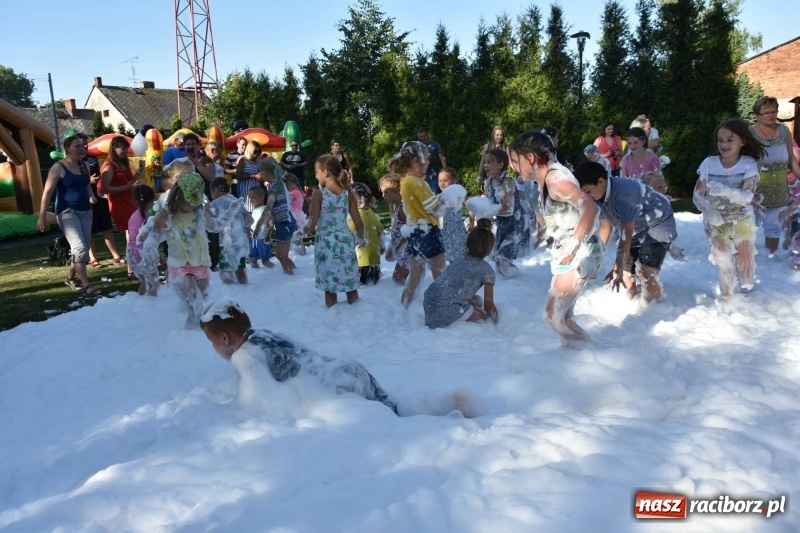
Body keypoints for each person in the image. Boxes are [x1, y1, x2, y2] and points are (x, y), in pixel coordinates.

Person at [199, 300, 487, 417]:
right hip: (346, 370)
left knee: (393, 425)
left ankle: (450, 420)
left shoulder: (245, 356)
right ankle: (450, 403)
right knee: (394, 410)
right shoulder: (265, 334)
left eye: (211, 341)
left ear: (224, 338)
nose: (215, 347)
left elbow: (265, 404)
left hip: (334, 390)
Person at [509, 130, 604, 346]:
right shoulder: (544, 181)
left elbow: (590, 208)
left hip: (581, 251)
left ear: (531, 158)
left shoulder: (555, 180)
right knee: (563, 316)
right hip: (570, 248)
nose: (513, 166)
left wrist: (572, 246)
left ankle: (591, 352)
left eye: (516, 161)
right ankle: (577, 356)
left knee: (552, 315)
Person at [139, 171, 244, 328]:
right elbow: (155, 234)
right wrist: (149, 246)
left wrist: (231, 211)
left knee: (201, 307)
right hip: (180, 266)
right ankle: (190, 338)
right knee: (197, 305)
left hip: (201, 264)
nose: (191, 205)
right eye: (188, 202)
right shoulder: (167, 214)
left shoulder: (199, 211)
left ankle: (193, 337)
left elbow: (215, 226)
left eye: (195, 202)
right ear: (178, 195)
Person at [576, 161, 677, 305]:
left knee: (646, 271)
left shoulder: (624, 193)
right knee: (626, 274)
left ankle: (655, 308)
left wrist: (618, 265)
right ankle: (630, 301)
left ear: (601, 181)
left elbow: (626, 235)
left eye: (587, 191)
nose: (586, 196)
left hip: (657, 226)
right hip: (636, 230)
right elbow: (605, 227)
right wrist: (594, 256)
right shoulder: (598, 197)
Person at [693, 118, 766, 299]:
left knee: (745, 265)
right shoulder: (709, 163)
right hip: (716, 223)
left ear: (742, 141)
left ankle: (749, 298)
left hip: (743, 221)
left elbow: (748, 197)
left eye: (729, 139)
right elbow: (697, 195)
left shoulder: (748, 164)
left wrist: (724, 190)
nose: (724, 144)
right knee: (724, 261)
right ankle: (729, 301)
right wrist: (709, 212)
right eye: (720, 140)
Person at [37, 135, 101, 296]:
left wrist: (91, 195)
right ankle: (87, 286)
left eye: (83, 145)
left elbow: (87, 186)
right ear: (68, 148)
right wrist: (42, 216)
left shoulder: (85, 165)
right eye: (77, 146)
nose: (82, 148)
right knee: (79, 249)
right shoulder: (58, 167)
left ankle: (70, 278)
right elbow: (47, 192)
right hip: (67, 212)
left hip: (86, 211)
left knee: (84, 250)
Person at [390, 141, 446, 307]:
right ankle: (443, 307)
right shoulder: (418, 183)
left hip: (415, 232)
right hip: (428, 231)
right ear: (416, 161)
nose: (429, 161)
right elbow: (435, 210)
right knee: (441, 274)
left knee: (415, 276)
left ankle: (404, 307)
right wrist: (448, 200)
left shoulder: (405, 182)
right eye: (427, 158)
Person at [305, 155, 365, 307]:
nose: (315, 175)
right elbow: (359, 223)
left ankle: (333, 318)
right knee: (350, 284)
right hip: (345, 242)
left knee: (329, 287)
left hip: (326, 245)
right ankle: (358, 315)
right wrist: (361, 239)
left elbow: (312, 222)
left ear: (325, 172)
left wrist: (301, 232)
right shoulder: (348, 194)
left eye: (317, 172)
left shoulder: (319, 194)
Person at [423, 219, 498, 328]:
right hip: (446, 309)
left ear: (468, 243)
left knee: (476, 300)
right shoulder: (487, 270)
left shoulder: (458, 259)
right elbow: (489, 305)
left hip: (429, 303)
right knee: (482, 317)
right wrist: (498, 321)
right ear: (489, 248)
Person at [749, 96, 800, 256]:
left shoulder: (784, 130)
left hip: (778, 189)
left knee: (774, 228)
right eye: (766, 112)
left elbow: (791, 159)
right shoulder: (750, 133)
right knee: (748, 228)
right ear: (757, 115)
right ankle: (749, 263)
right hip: (754, 190)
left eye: (773, 111)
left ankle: (770, 258)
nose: (771, 115)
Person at [483, 148, 531, 278]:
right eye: (485, 162)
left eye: (489, 162)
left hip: (516, 224)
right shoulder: (489, 182)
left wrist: (486, 210)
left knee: (502, 256)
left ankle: (516, 282)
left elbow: (508, 210)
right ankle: (506, 281)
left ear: (500, 165)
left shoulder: (507, 182)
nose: (485, 165)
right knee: (498, 257)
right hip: (503, 224)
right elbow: (490, 203)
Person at [100, 135, 143, 277]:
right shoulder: (109, 166)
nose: (126, 151)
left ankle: (135, 263)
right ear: (114, 148)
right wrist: (125, 187)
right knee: (132, 234)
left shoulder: (123, 163)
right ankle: (131, 268)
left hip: (129, 201)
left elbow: (130, 181)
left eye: (126, 148)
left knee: (133, 233)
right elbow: (105, 188)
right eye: (122, 148)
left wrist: (139, 172)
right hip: (119, 204)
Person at [80, 133, 124, 268]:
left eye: (86, 143)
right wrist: (89, 181)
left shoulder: (92, 158)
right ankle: (93, 258)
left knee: (106, 227)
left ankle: (116, 255)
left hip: (99, 195)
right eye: (81, 144)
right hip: (85, 198)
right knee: (90, 229)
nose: (85, 146)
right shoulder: (72, 162)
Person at [258, 159, 299, 275]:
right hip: (287, 221)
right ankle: (295, 272)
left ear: (265, 171)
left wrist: (259, 224)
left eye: (260, 172)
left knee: (281, 255)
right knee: (281, 255)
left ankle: (291, 275)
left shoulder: (275, 185)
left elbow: (270, 206)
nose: (260, 175)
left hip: (285, 222)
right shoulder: (277, 183)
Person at [210, 178, 250, 285]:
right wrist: (247, 228)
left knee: (226, 270)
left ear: (216, 190)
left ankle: (231, 291)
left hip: (228, 242)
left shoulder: (215, 203)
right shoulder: (236, 200)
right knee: (240, 269)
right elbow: (249, 219)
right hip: (241, 240)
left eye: (211, 192)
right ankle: (245, 288)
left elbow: (211, 220)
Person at [348, 183, 384, 285]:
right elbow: (380, 229)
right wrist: (381, 244)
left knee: (362, 282)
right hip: (374, 251)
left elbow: (350, 232)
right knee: (373, 279)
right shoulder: (372, 212)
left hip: (361, 253)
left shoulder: (354, 214)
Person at [379, 174, 410, 285]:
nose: (383, 196)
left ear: (397, 191)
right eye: (382, 192)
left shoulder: (403, 209)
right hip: (397, 242)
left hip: (406, 247)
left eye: (386, 192)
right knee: (388, 257)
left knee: (397, 279)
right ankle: (409, 272)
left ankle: (410, 274)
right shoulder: (395, 206)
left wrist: (400, 245)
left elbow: (412, 229)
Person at [128, 184, 158, 296]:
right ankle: (150, 307)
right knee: (152, 284)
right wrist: (163, 260)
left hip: (132, 253)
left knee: (144, 282)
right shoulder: (148, 218)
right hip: (143, 254)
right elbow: (149, 241)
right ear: (152, 200)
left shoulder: (133, 216)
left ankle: (141, 304)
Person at [437, 167, 468, 263]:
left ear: (454, 181)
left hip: (457, 232)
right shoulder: (440, 197)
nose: (442, 183)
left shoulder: (458, 194)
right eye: (440, 181)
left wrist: (471, 223)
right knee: (449, 256)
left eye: (445, 180)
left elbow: (470, 207)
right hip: (445, 232)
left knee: (460, 255)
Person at [247, 186, 275, 270]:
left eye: (253, 197)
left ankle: (276, 271)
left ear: (262, 197)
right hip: (253, 239)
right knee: (252, 260)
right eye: (249, 198)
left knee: (265, 261)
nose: (251, 200)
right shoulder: (254, 210)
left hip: (262, 238)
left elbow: (271, 223)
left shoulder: (264, 209)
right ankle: (257, 276)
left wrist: (268, 235)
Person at [283, 173, 308, 256]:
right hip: (298, 215)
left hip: (296, 217)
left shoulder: (294, 192)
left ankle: (300, 256)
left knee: (296, 240)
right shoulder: (297, 191)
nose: (286, 188)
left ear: (289, 183)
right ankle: (302, 255)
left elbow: (286, 199)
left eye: (286, 185)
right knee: (297, 240)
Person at [417, 127, 447, 194]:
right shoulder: (418, 146)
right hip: (423, 174)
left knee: (434, 192)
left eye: (424, 136)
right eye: (420, 137)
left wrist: (445, 171)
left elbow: (442, 158)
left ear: (428, 134)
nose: (422, 138)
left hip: (434, 172)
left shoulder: (434, 144)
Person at [236, 140, 263, 210]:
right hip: (246, 190)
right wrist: (254, 176)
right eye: (255, 151)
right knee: (248, 211)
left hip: (256, 188)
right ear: (250, 150)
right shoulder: (243, 160)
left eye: (258, 152)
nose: (256, 154)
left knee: (257, 210)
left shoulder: (257, 161)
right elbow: (238, 176)